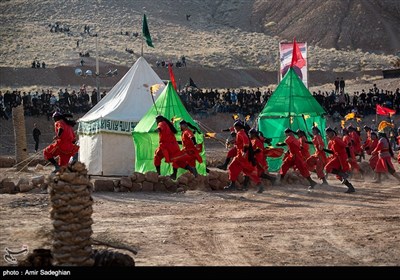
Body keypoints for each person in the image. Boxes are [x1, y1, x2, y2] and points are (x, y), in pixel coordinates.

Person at [224, 121, 264, 193]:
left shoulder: (241, 133)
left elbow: (246, 143)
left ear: (238, 127)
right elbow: (240, 143)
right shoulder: (241, 133)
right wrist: (232, 142)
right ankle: (259, 184)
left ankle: (232, 185)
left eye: (235, 127)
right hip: (244, 157)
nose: (235, 128)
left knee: (231, 167)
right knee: (248, 171)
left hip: (241, 156)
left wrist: (244, 152)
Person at [154, 115, 196, 180]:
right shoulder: (169, 124)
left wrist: (157, 129)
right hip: (174, 146)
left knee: (157, 156)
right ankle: (189, 169)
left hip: (166, 146)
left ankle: (158, 174)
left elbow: (160, 127)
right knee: (177, 160)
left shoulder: (161, 123)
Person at [324, 127, 355, 193]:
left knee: (327, 167)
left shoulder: (337, 139)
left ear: (331, 133)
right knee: (339, 176)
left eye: (328, 133)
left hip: (342, 157)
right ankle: (350, 187)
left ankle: (343, 174)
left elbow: (346, 146)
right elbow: (332, 152)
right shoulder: (332, 141)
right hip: (337, 157)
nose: (327, 135)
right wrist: (323, 149)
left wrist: (349, 156)